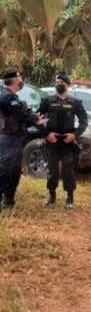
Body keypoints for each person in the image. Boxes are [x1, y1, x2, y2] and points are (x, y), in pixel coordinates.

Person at [0, 67, 47, 211]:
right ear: (14, 80)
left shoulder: (14, 97)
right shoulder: (7, 97)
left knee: (15, 172)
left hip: (16, 139)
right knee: (4, 171)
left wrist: (35, 118)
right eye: (19, 78)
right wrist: (35, 119)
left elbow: (24, 112)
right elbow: (20, 114)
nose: (21, 80)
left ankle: (9, 201)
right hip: (8, 139)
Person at [39, 72, 87, 210]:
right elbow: (39, 120)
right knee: (52, 170)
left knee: (68, 170)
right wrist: (47, 134)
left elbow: (84, 122)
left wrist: (75, 135)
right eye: (56, 81)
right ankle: (52, 196)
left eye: (61, 82)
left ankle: (70, 198)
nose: (58, 84)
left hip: (68, 141)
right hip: (52, 140)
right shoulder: (47, 102)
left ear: (68, 85)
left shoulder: (75, 103)